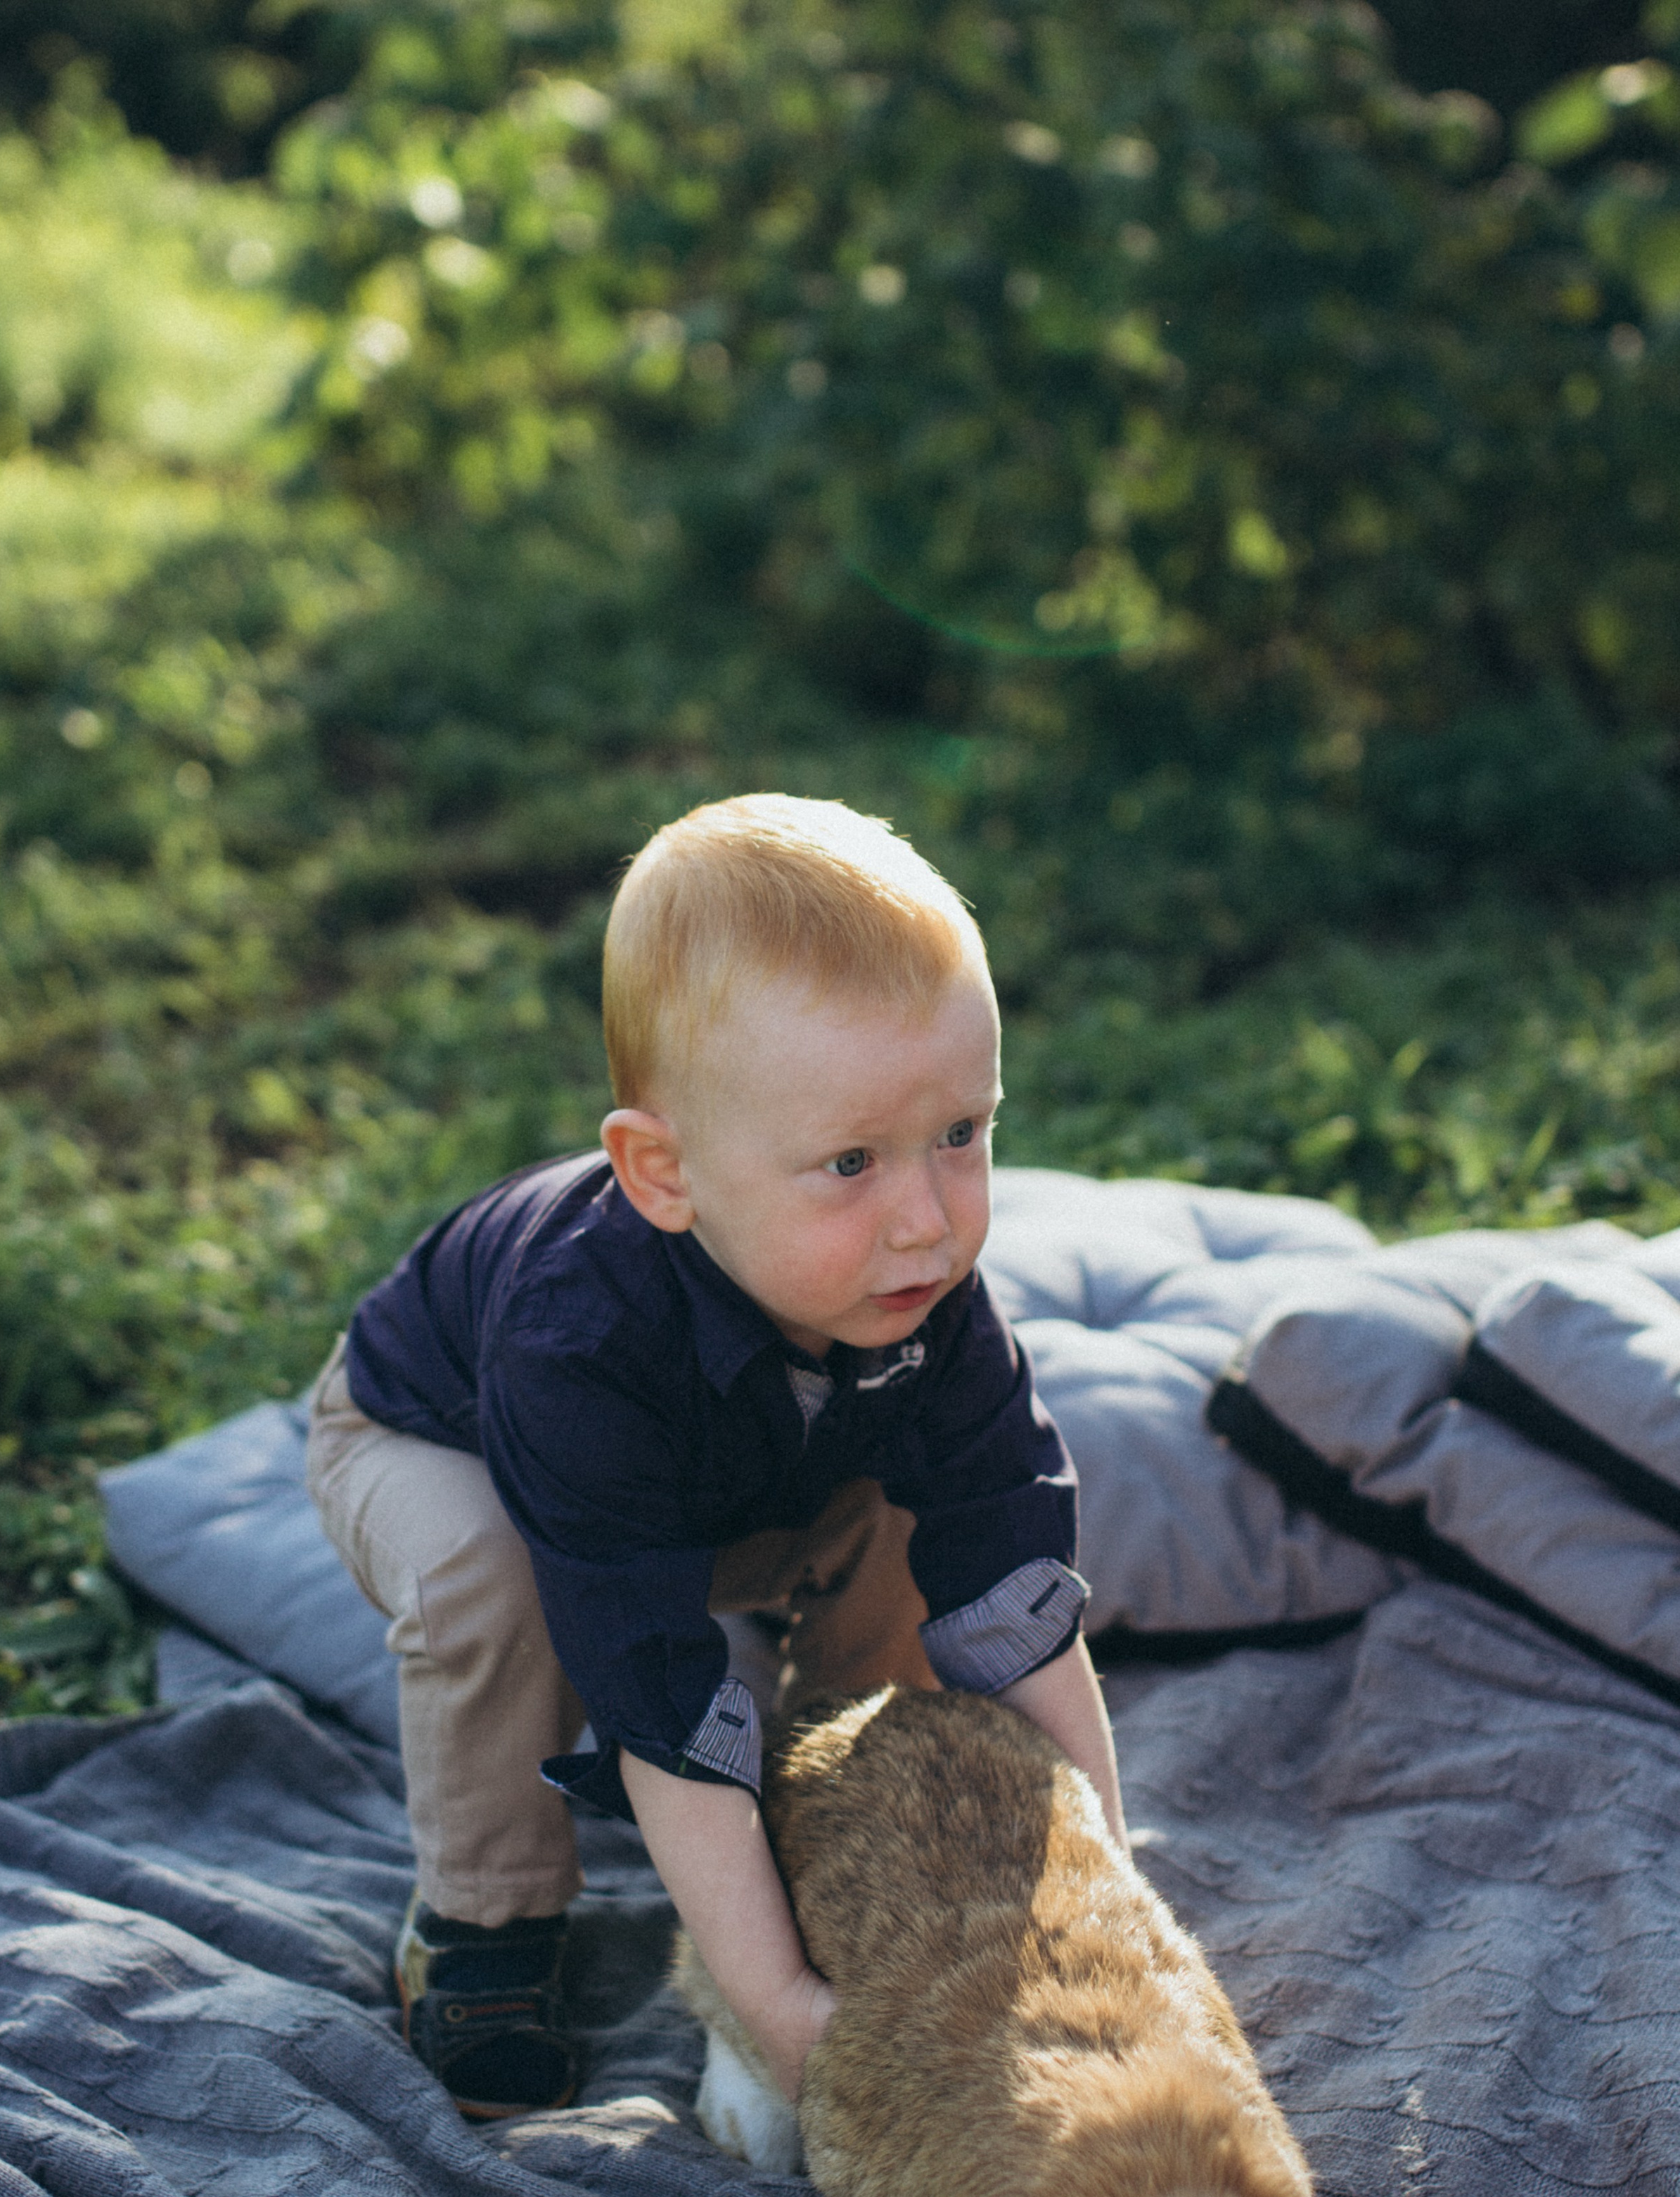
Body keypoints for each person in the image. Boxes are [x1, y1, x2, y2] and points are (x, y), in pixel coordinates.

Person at [306, 793, 1124, 2120]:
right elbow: (660, 1702)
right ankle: (484, 1922)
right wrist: (782, 2011)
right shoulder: (579, 1343)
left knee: (911, 1522)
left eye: (961, 1135)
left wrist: (1111, 1883)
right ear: (663, 1175)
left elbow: (1016, 1591)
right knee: (488, 1582)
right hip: (434, 1439)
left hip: (737, 1475)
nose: (926, 1221)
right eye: (851, 1161)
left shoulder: (925, 1295)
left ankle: (843, 1802)